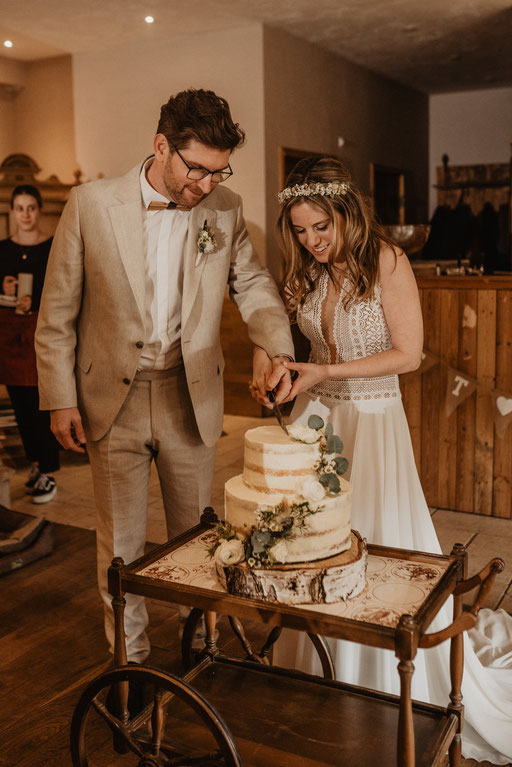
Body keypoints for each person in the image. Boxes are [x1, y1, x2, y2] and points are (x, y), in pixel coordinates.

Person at [251, 156, 512, 763]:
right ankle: (316, 666)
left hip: (373, 423)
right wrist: (277, 370)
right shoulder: (306, 274)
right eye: (300, 229)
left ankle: (380, 676)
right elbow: (300, 345)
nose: (311, 241)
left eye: (321, 227)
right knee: (316, 543)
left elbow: (409, 354)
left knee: (375, 542)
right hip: (318, 422)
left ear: (346, 213)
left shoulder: (387, 262)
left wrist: (325, 371)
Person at [35, 88, 294, 666]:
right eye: (196, 168)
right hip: (110, 399)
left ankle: (202, 650)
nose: (206, 184)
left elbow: (251, 284)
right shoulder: (90, 204)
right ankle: (130, 666)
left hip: (188, 393)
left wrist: (271, 344)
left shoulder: (225, 208)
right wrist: (58, 399)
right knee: (122, 547)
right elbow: (55, 316)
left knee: (198, 541)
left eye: (218, 170)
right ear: (161, 146)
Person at [0, 185, 59, 503]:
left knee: (42, 404)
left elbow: (61, 288)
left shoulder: (51, 248)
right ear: (12, 212)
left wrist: (32, 300)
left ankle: (48, 472)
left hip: (41, 334)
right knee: (21, 406)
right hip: (9, 337)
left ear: (39, 211)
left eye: (31, 208)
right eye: (19, 208)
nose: (25, 214)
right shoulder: (2, 249)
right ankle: (35, 466)